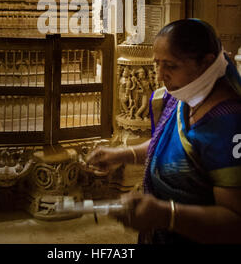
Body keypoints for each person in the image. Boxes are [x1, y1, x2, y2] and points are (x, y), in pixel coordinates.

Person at [86, 19, 241, 243]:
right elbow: (168, 143)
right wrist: (121, 155)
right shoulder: (183, 95)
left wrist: (167, 215)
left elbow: (234, 222)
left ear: (206, 63)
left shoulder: (228, 122)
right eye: (157, 63)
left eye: (171, 66)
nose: (159, 76)